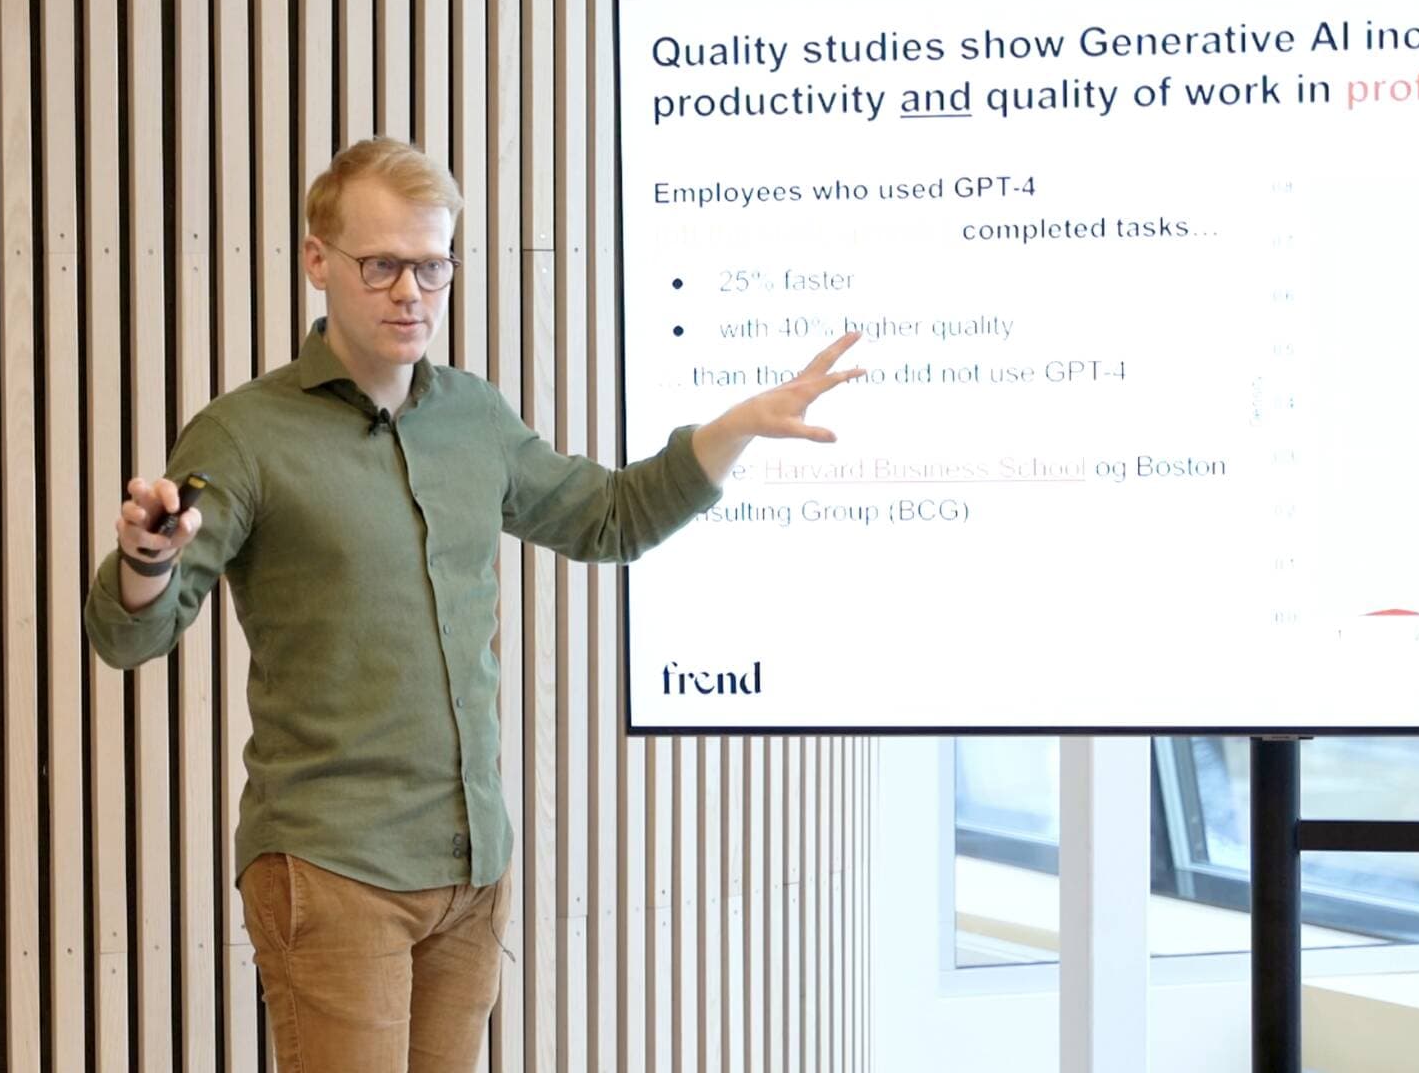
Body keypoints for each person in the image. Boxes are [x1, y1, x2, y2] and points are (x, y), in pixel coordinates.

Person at [82, 136, 863, 1072]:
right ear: (318, 261)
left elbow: (609, 517)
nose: (411, 293)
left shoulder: (473, 417)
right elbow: (132, 635)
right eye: (382, 266)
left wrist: (734, 429)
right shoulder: (245, 434)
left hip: (471, 865)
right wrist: (147, 557)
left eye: (433, 266)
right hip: (334, 867)